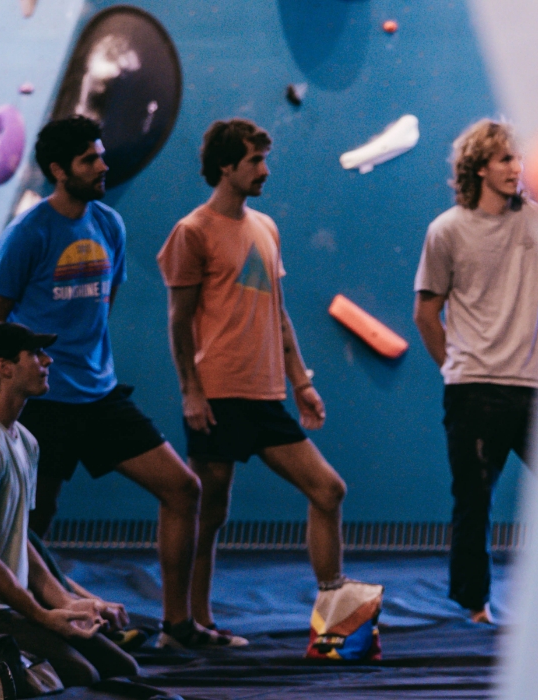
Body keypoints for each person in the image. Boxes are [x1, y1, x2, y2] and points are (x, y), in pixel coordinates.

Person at [0, 115, 227, 648]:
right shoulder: (28, 234)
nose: (103, 165)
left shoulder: (110, 224)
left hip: (101, 396)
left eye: (100, 155)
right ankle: (36, 628)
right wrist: (3, 400)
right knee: (28, 526)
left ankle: (178, 628)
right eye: (90, 159)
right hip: (45, 404)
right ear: (59, 170)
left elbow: (101, 309)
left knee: (184, 489)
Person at [158, 119, 364, 631]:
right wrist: (191, 392)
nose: (264, 170)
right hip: (217, 394)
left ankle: (334, 624)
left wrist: (302, 383)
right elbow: (179, 321)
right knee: (208, 516)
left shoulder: (266, 227)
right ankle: (189, 624)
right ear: (226, 166)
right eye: (254, 161)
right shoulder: (192, 232)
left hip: (266, 394)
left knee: (328, 489)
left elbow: (279, 312)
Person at [0, 322, 139, 688]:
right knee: (80, 677)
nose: (47, 360)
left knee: (121, 670)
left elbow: (18, 539)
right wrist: (40, 614)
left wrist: (65, 603)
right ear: (4, 367)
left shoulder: (24, 441)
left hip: (7, 610)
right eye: (35, 354)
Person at [413, 119, 538, 624]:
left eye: (519, 158)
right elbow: (426, 313)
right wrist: (454, 368)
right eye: (505, 159)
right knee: (473, 503)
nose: (517, 167)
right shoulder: (446, 230)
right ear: (479, 167)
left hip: (532, 391)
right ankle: (475, 606)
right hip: (472, 390)